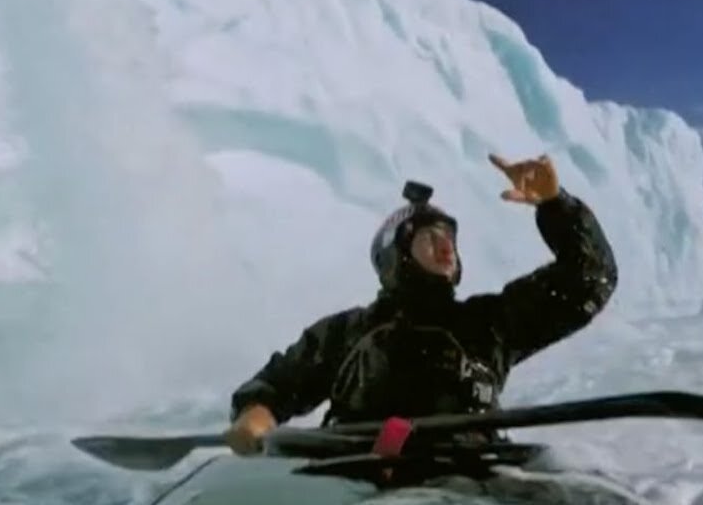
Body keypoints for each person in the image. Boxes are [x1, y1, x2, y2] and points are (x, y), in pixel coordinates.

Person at [224, 152, 617, 455]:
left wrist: (555, 204)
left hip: (471, 480)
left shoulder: (489, 324)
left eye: (450, 237)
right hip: (356, 479)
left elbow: (589, 279)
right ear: (396, 257)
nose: (447, 245)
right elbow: (277, 385)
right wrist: (256, 416)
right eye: (429, 237)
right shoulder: (348, 332)